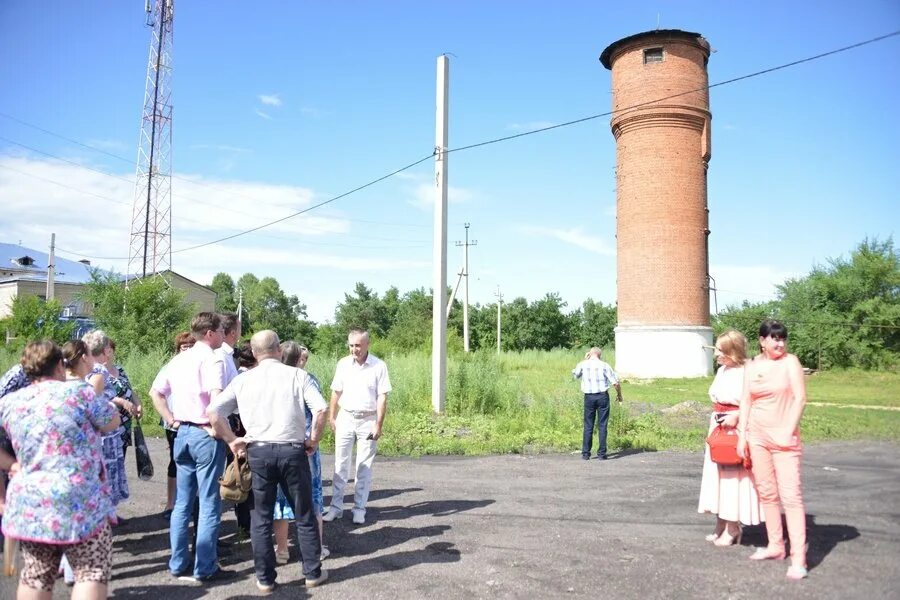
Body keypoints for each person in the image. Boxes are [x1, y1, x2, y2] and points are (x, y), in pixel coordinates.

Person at [208, 330, 329, 593]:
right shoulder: (299, 376)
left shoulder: (243, 380)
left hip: (258, 453)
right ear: (278, 350)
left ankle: (265, 579)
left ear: (253, 352)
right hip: (293, 450)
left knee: (260, 516)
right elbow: (321, 408)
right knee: (305, 513)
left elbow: (213, 411)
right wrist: (313, 439)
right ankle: (312, 573)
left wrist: (231, 440)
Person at [0, 340, 120, 600]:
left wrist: (13, 465)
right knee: (90, 571)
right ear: (58, 365)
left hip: (32, 501)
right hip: (80, 499)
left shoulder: (10, 403)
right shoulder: (80, 393)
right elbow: (111, 422)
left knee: (36, 573)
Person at [149, 312, 233, 584]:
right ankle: (205, 566)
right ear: (209, 333)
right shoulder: (212, 359)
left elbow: (155, 392)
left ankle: (177, 562)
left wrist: (171, 419)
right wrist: (224, 433)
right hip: (203, 434)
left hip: (182, 433)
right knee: (209, 503)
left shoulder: (179, 359)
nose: (223, 334)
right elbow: (215, 401)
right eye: (221, 330)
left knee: (183, 503)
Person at [737, 319, 809, 580]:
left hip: (784, 440)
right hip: (757, 438)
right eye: (774, 338)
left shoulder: (791, 362)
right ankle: (776, 545)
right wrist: (742, 437)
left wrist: (787, 429)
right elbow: (746, 400)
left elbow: (800, 398)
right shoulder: (751, 366)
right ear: (762, 340)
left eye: (782, 338)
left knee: (791, 496)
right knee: (767, 493)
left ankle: (798, 558)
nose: (779, 343)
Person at [697, 331, 763, 546]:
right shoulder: (723, 371)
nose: (715, 353)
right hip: (718, 427)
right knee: (717, 476)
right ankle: (720, 523)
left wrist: (737, 416)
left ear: (732, 351)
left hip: (736, 429)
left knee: (732, 478)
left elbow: (756, 403)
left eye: (719, 349)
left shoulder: (747, 372)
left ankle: (733, 527)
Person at [324, 327, 392, 525]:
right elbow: (336, 392)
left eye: (359, 345)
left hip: (368, 420)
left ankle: (359, 508)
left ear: (367, 344)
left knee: (364, 466)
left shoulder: (379, 366)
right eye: (352, 345)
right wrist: (332, 417)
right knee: (340, 464)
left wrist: (378, 425)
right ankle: (336, 508)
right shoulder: (343, 364)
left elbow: (382, 397)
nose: (355, 349)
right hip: (345, 417)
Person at [275, 341, 329, 563]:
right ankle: (315, 549)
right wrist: (313, 439)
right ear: (298, 359)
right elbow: (320, 409)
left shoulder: (270, 379)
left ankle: (282, 551)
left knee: (280, 499)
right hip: (305, 446)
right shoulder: (308, 380)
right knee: (313, 495)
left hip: (276, 444)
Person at [83, 330, 132, 515]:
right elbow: (94, 402)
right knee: (104, 478)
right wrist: (117, 403)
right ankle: (101, 522)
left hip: (91, 433)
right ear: (104, 350)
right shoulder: (99, 371)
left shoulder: (80, 368)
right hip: (103, 433)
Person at [160, 331, 195, 517]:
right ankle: (170, 503)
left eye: (191, 346)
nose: (187, 349)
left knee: (194, 464)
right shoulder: (170, 367)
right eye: (184, 346)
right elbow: (157, 393)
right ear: (178, 349)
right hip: (173, 421)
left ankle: (190, 503)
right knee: (174, 462)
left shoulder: (200, 366)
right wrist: (170, 418)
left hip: (194, 422)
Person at [572, 347, 622, 460]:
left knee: (588, 425)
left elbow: (576, 375)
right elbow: (615, 383)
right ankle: (602, 454)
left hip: (589, 397)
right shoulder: (605, 365)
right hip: (602, 396)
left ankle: (585, 454)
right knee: (602, 425)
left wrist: (584, 360)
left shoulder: (583, 364)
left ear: (590, 354)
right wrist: (619, 395)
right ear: (600, 355)